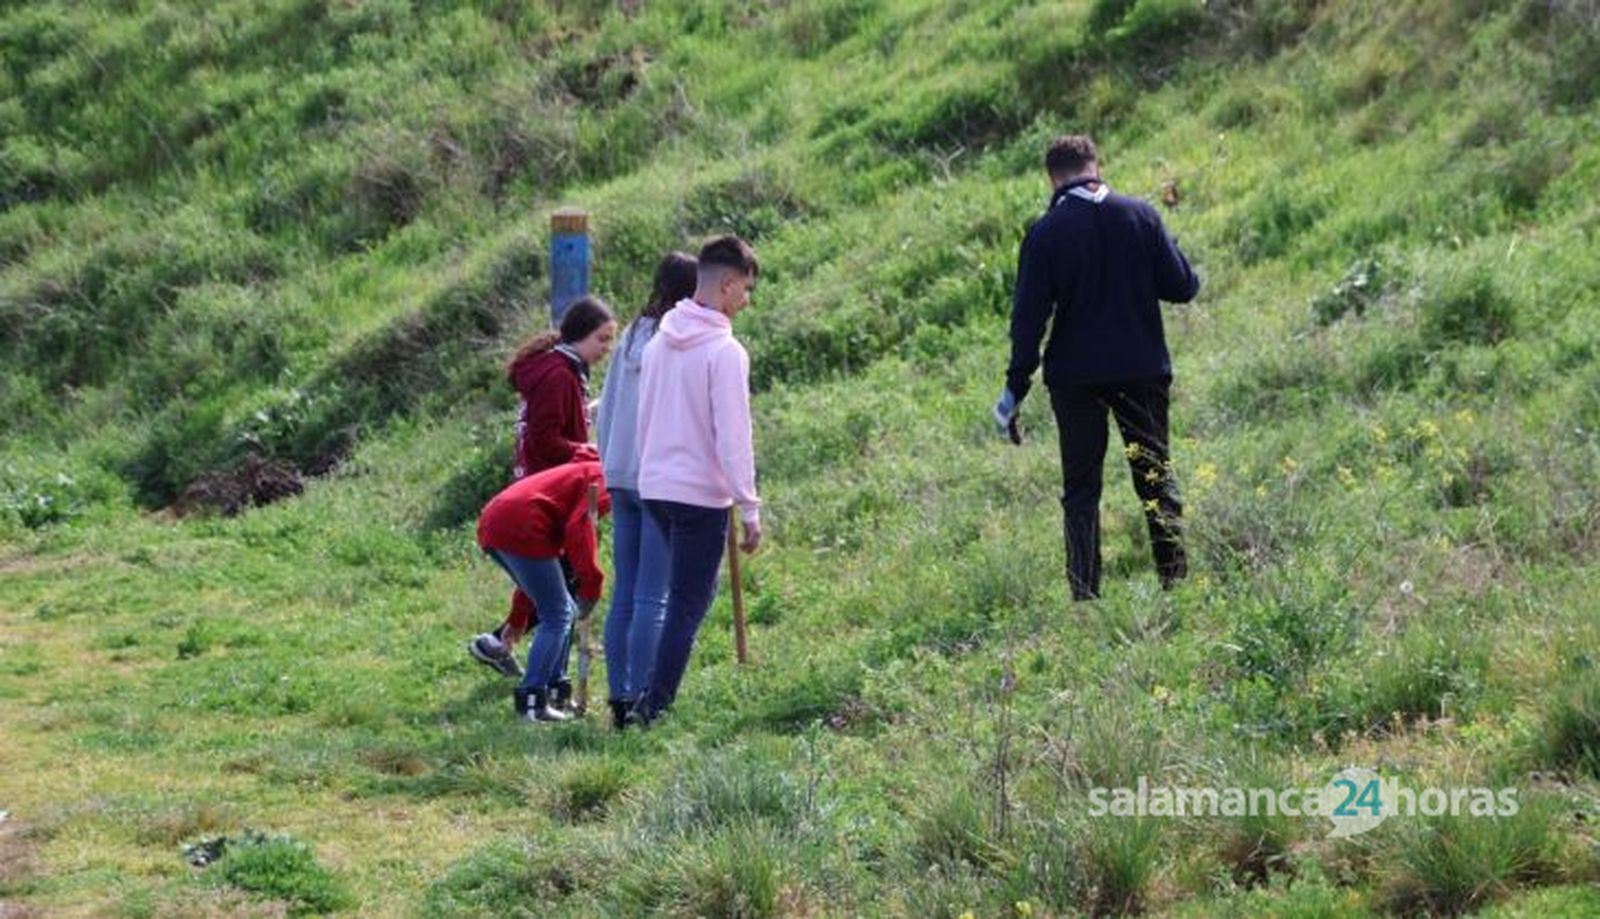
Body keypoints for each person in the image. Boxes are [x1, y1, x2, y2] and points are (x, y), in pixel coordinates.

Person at [995, 135, 1200, 601]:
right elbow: (1182, 287)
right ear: (1096, 165)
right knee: (1154, 476)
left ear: (1052, 178)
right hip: (1141, 368)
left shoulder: (1044, 233)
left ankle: (1085, 597)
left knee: (1082, 491)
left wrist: (1014, 391)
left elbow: (1027, 324)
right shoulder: (1141, 215)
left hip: (1075, 379)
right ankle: (1175, 583)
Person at [628, 236, 763, 727]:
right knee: (688, 604)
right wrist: (749, 507)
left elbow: (645, 416)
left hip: (656, 486)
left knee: (680, 598)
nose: (746, 301)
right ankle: (653, 707)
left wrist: (649, 473)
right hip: (699, 494)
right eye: (746, 289)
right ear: (727, 285)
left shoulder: (660, 341)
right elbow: (733, 436)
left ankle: (648, 698)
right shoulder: (725, 352)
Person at [466, 297, 616, 700]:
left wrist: (590, 417)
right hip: (545, 493)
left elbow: (561, 425)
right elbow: (545, 440)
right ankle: (543, 685)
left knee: (552, 589)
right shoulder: (558, 375)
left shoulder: (565, 370)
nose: (606, 348)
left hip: (541, 489)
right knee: (560, 600)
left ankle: (504, 644)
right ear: (580, 334)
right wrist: (588, 453)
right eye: (602, 339)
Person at [594, 252, 697, 730]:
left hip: (619, 471)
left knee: (626, 593)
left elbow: (608, 409)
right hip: (656, 476)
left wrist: (609, 463)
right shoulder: (675, 341)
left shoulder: (630, 336)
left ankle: (619, 698)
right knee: (655, 595)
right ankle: (641, 699)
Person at [476, 459, 611, 722]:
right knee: (558, 614)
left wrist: (518, 617)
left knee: (562, 609)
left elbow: (540, 575)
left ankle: (555, 690)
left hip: (498, 520)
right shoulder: (604, 478)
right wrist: (591, 583)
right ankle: (532, 700)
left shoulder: (589, 471)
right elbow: (579, 529)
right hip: (521, 523)